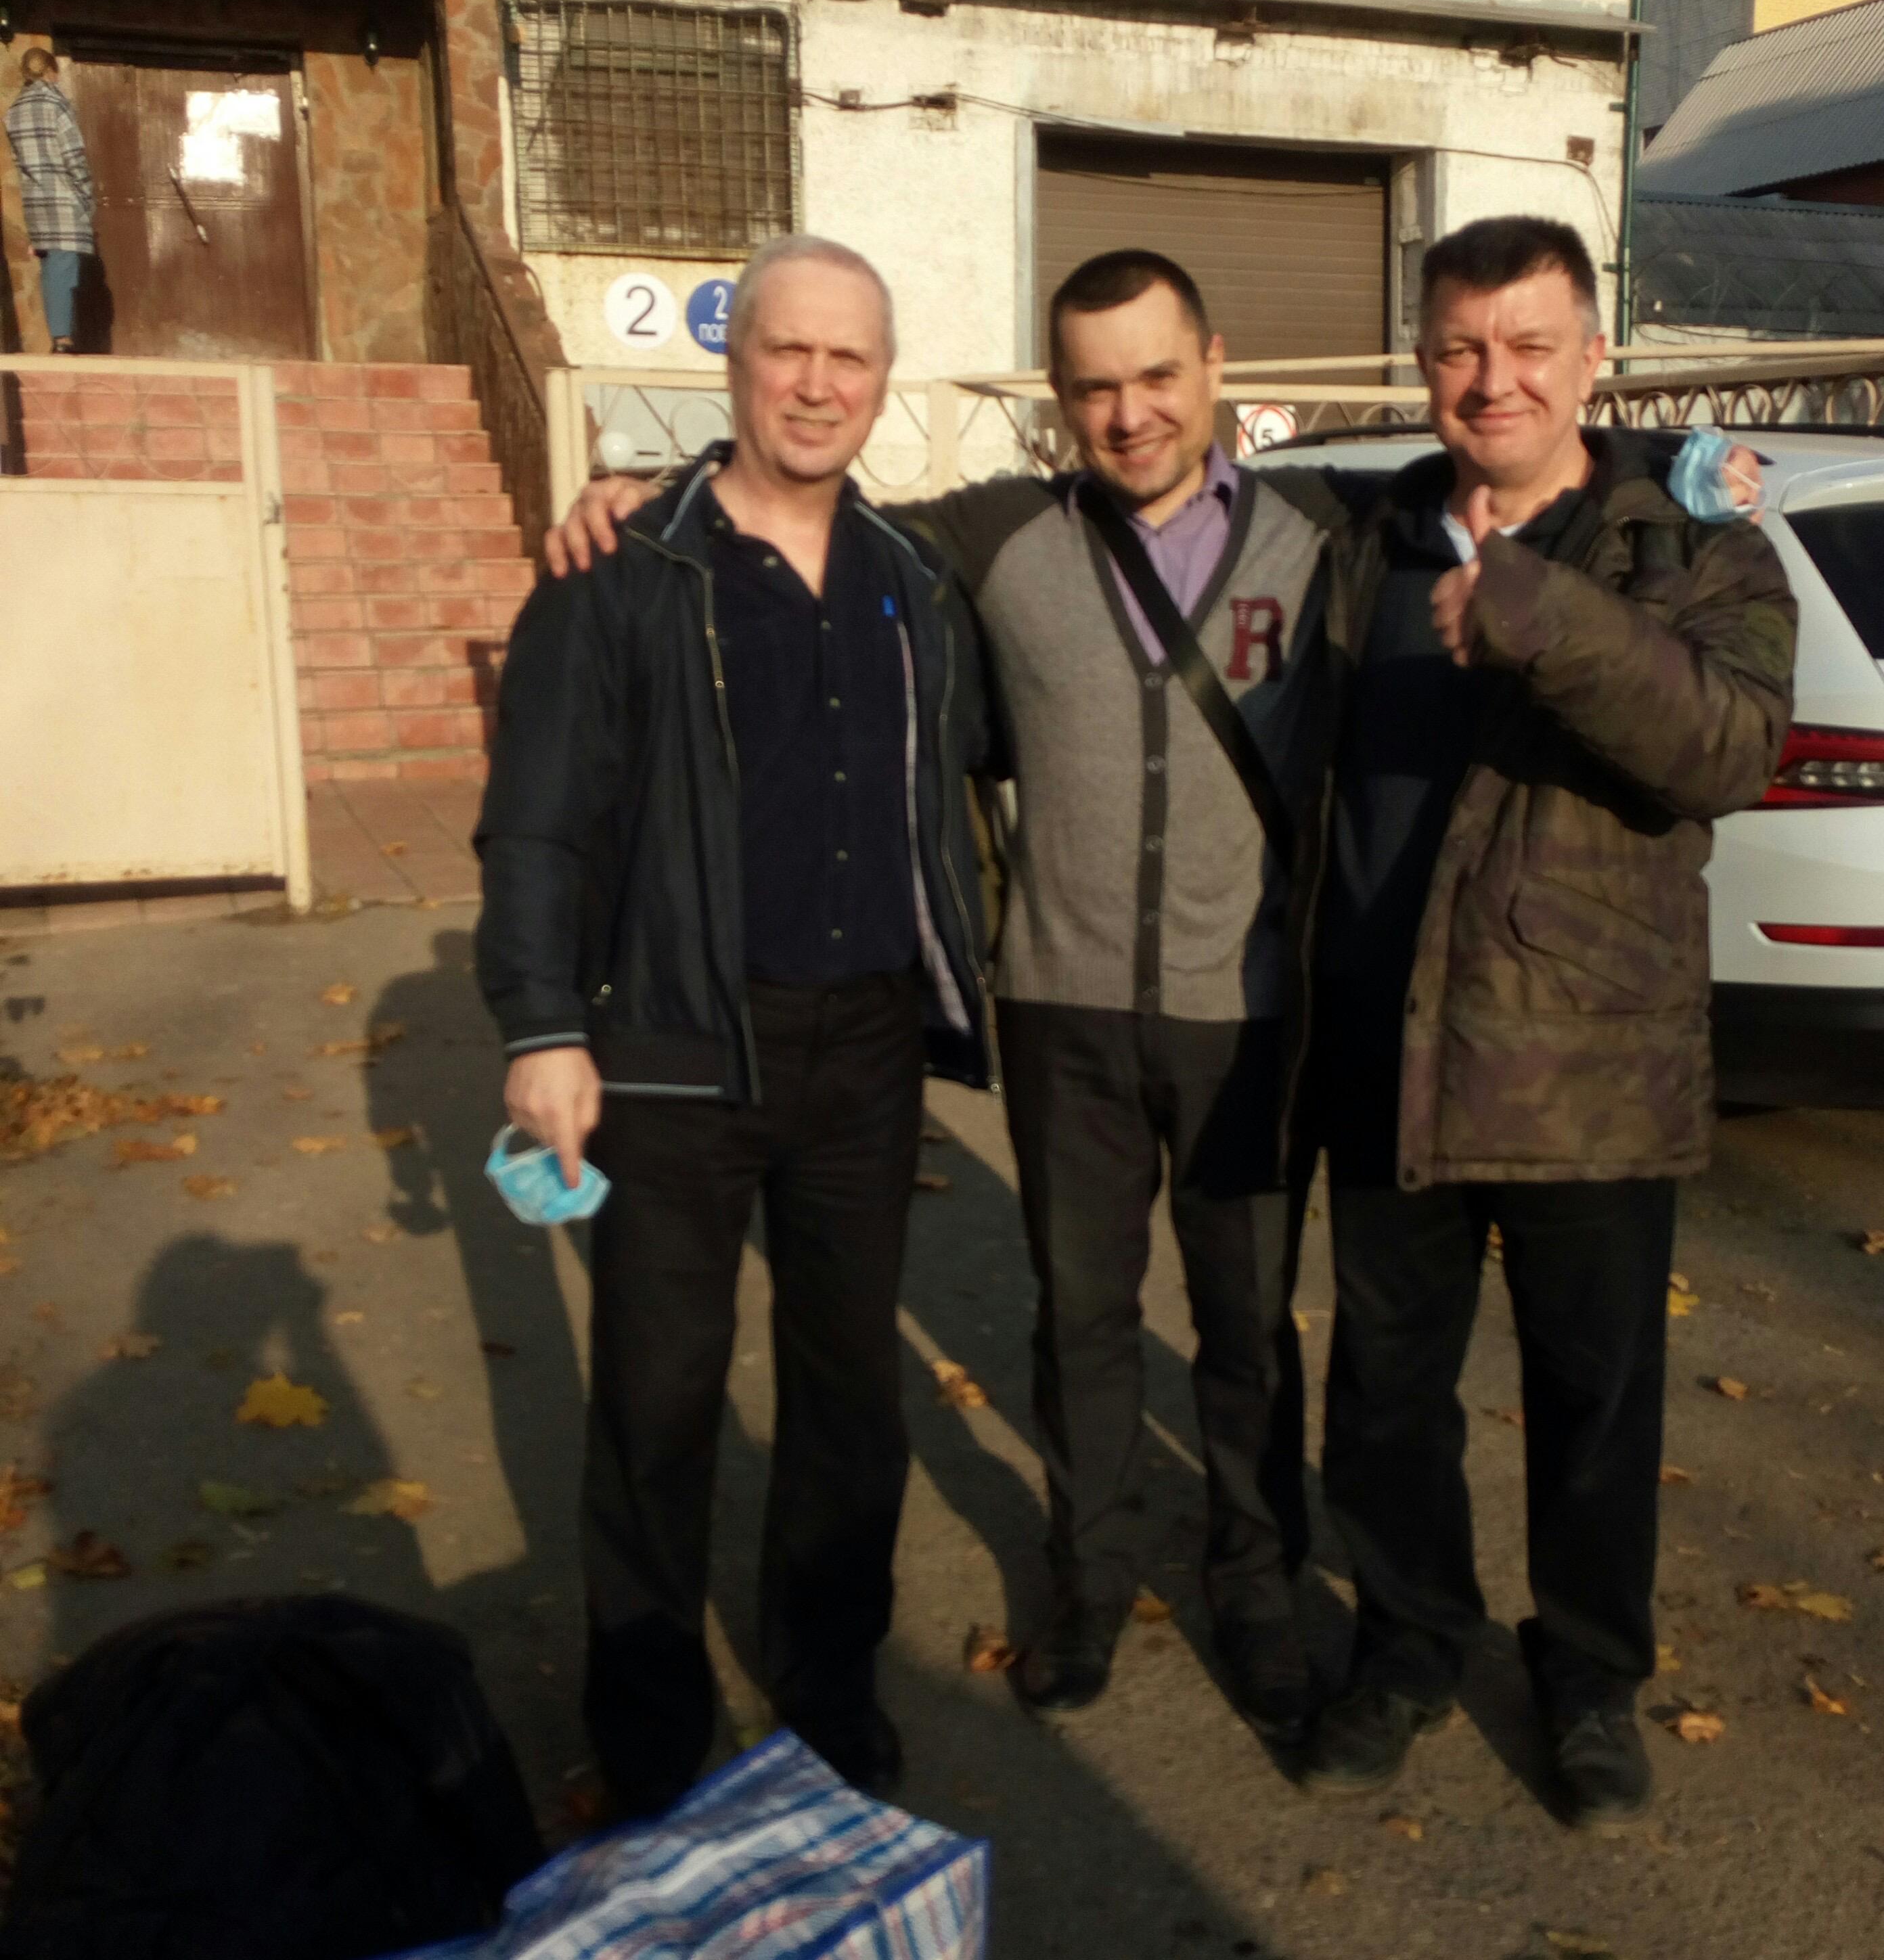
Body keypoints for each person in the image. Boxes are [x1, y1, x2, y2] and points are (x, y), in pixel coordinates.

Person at [547, 243, 1762, 1756]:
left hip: (1252, 1011)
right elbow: (799, 507)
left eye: (1159, 377)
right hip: (1064, 1009)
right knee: (1086, 1320)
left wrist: (1680, 456)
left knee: (1254, 1332)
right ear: (1059, 402)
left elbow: (1530, 457)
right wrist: (645, 492)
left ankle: (1259, 1592)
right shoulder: (994, 535)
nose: (1130, 414)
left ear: (1216, 369)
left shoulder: (1324, 527)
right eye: (1094, 388)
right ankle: (1089, 1580)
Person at [1288, 216, 1795, 1829]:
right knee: (1384, 1393)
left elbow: (1728, 748)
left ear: (1594, 357)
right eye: (1457, 346)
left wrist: (1541, 612)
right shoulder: (1363, 536)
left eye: (1526, 343)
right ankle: (1405, 1643)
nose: (1490, 377)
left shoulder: (1691, 545)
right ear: (1422, 361)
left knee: (1594, 1401)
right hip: (1386, 1048)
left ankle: (1585, 1675)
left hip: (1589, 1062)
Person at [475, 235, 991, 1818]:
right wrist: (541, 1023)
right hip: (675, 1042)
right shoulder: (623, 569)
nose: (817, 384)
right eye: (789, 350)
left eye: (849, 357)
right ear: (736, 361)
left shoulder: (912, 581)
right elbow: (538, 817)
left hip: (865, 1048)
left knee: (850, 1395)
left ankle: (829, 1684)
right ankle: (647, 1728)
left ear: (882, 381)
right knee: (657, 1398)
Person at [4, 48, 95, 355]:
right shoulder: (57, 105)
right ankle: (63, 340)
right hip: (63, 196)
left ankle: (61, 335)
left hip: (35, 199)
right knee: (64, 266)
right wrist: (86, 192)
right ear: (50, 72)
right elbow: (74, 156)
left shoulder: (14, 112)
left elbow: (20, 160)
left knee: (51, 266)